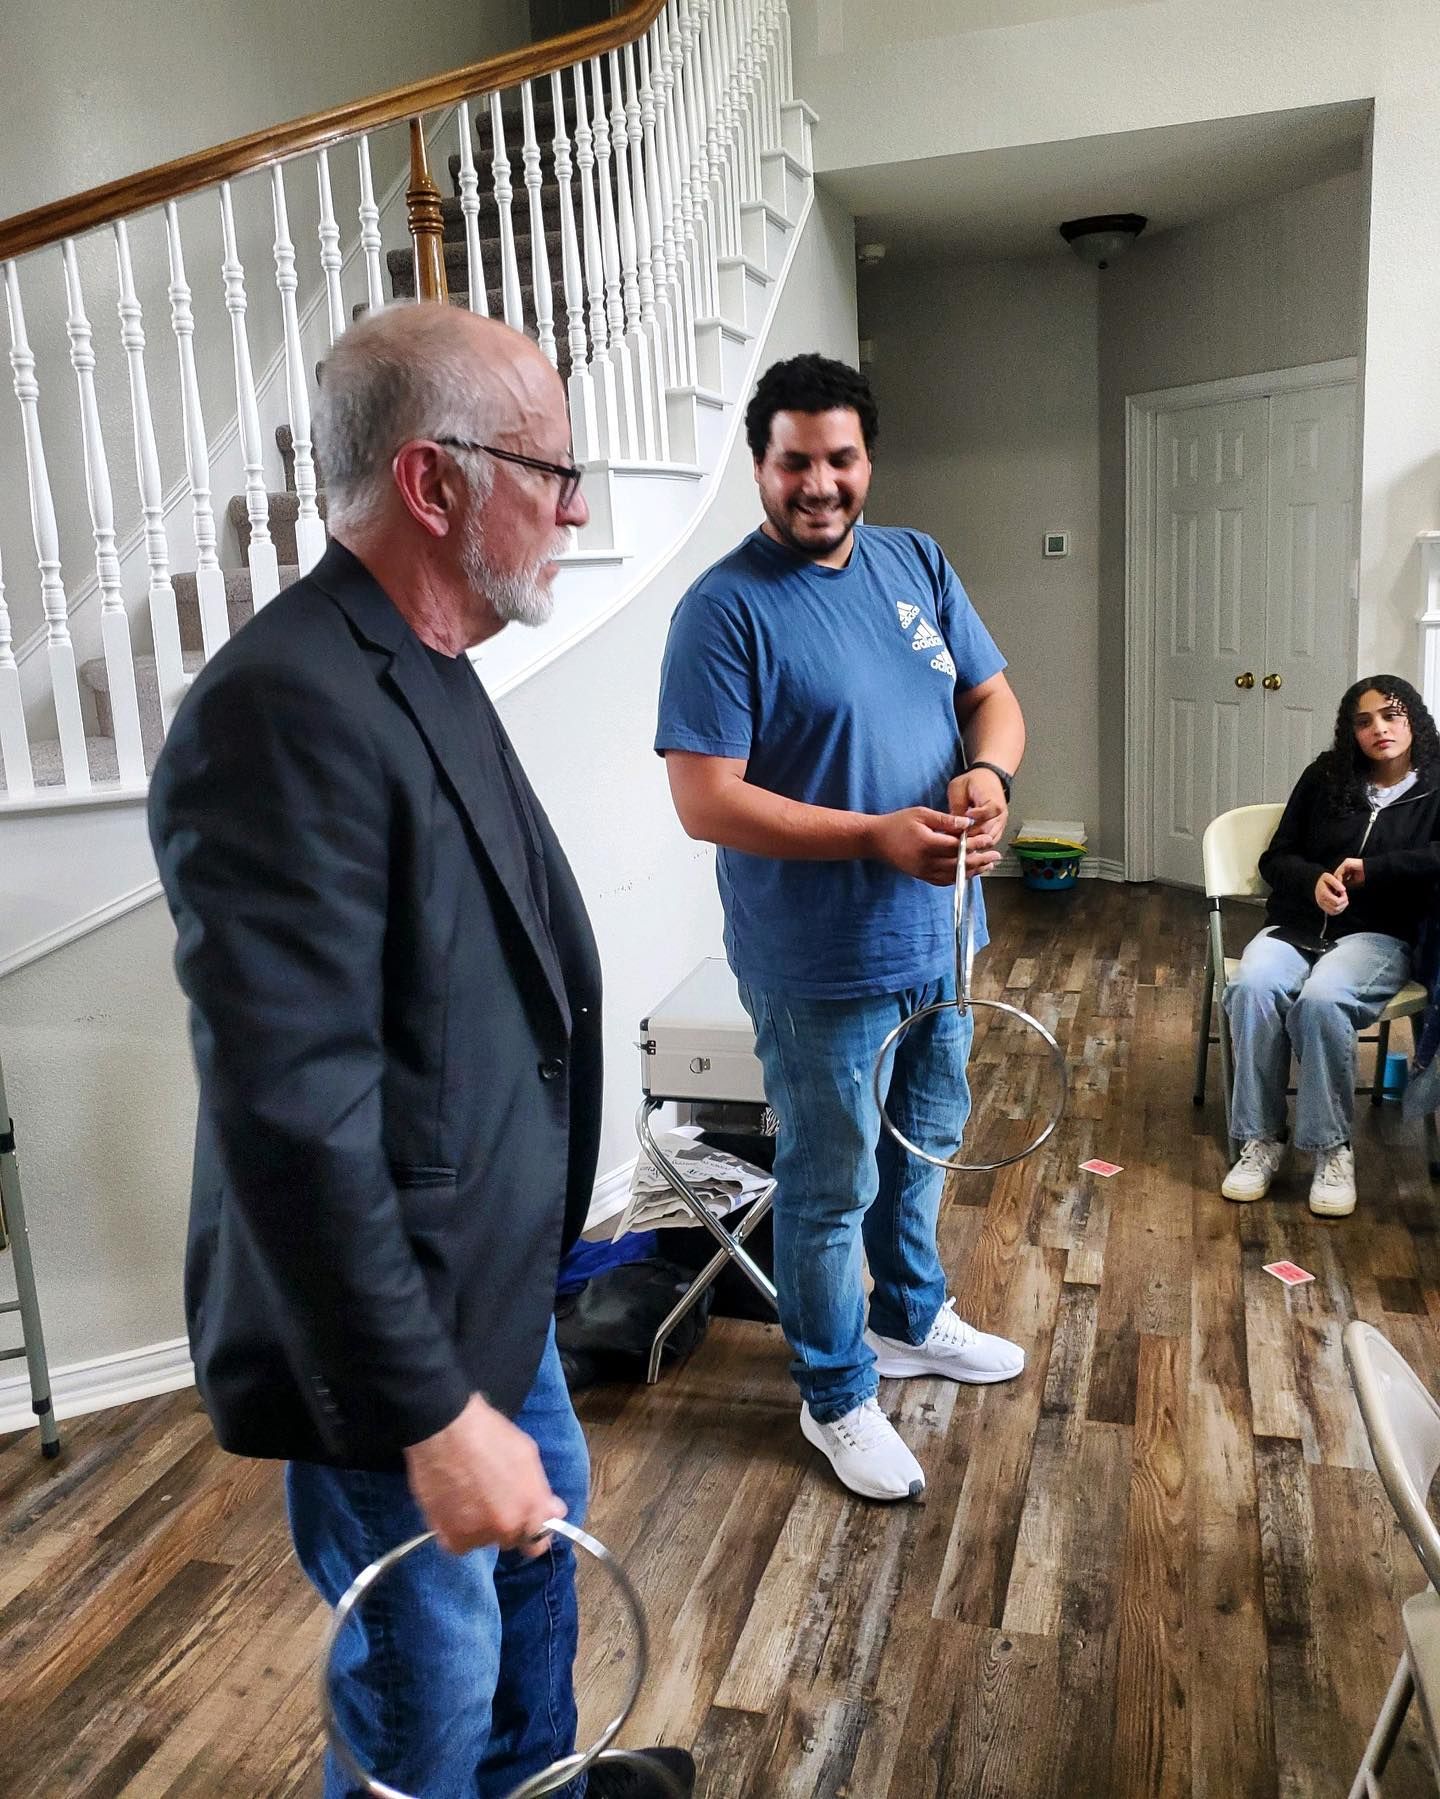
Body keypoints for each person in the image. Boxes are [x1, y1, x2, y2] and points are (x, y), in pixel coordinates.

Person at [149, 304, 694, 1799]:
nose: (577, 505)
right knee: (426, 1673)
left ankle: (547, 1784)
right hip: (391, 1335)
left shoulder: (425, 654)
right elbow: (292, 1117)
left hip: (491, 1287)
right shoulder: (276, 708)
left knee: (540, 1571)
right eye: (552, 469)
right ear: (433, 481)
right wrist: (434, 1412)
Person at [654, 352, 1028, 1503]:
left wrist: (989, 776)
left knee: (922, 1146)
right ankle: (834, 1393)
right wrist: (872, 834)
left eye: (840, 458)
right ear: (760, 466)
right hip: (819, 967)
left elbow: (991, 695)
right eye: (794, 462)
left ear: (869, 459)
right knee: (828, 1187)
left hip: (940, 938)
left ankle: (912, 1318)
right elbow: (704, 797)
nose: (820, 484)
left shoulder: (916, 561)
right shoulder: (723, 609)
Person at [1222, 674, 1440, 1218]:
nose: (1379, 730)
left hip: (1381, 934)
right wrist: (1314, 880)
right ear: (1350, 731)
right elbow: (1277, 858)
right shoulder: (1325, 777)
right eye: (1364, 721)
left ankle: (1330, 1148)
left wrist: (1375, 872)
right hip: (1298, 925)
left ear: (1412, 717)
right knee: (1252, 985)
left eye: (1391, 715)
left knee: (1323, 1000)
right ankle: (1260, 1141)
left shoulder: (1438, 782)